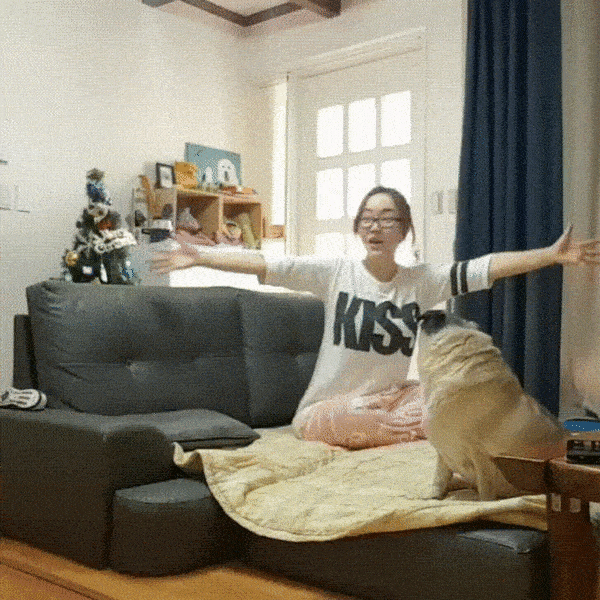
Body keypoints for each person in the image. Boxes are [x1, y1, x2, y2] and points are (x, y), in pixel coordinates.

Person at [151, 186, 600, 449]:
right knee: (366, 418)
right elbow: (268, 264)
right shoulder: (335, 273)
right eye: (366, 218)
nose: (374, 226)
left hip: (390, 400)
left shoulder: (422, 281)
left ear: (404, 229)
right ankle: (396, 435)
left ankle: (405, 433)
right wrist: (202, 257)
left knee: (453, 400)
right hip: (328, 410)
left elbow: (486, 268)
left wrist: (550, 255)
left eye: (386, 219)